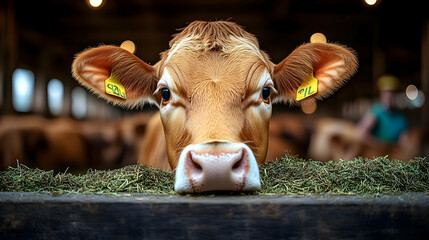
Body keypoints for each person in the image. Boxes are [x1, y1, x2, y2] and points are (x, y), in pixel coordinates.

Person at [357, 75, 409, 148]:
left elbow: (404, 142)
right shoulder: (375, 112)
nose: (389, 96)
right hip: (375, 154)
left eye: (392, 93)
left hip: (393, 155)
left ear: (396, 95)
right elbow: (360, 133)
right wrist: (379, 145)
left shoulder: (401, 119)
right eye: (386, 93)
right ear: (381, 94)